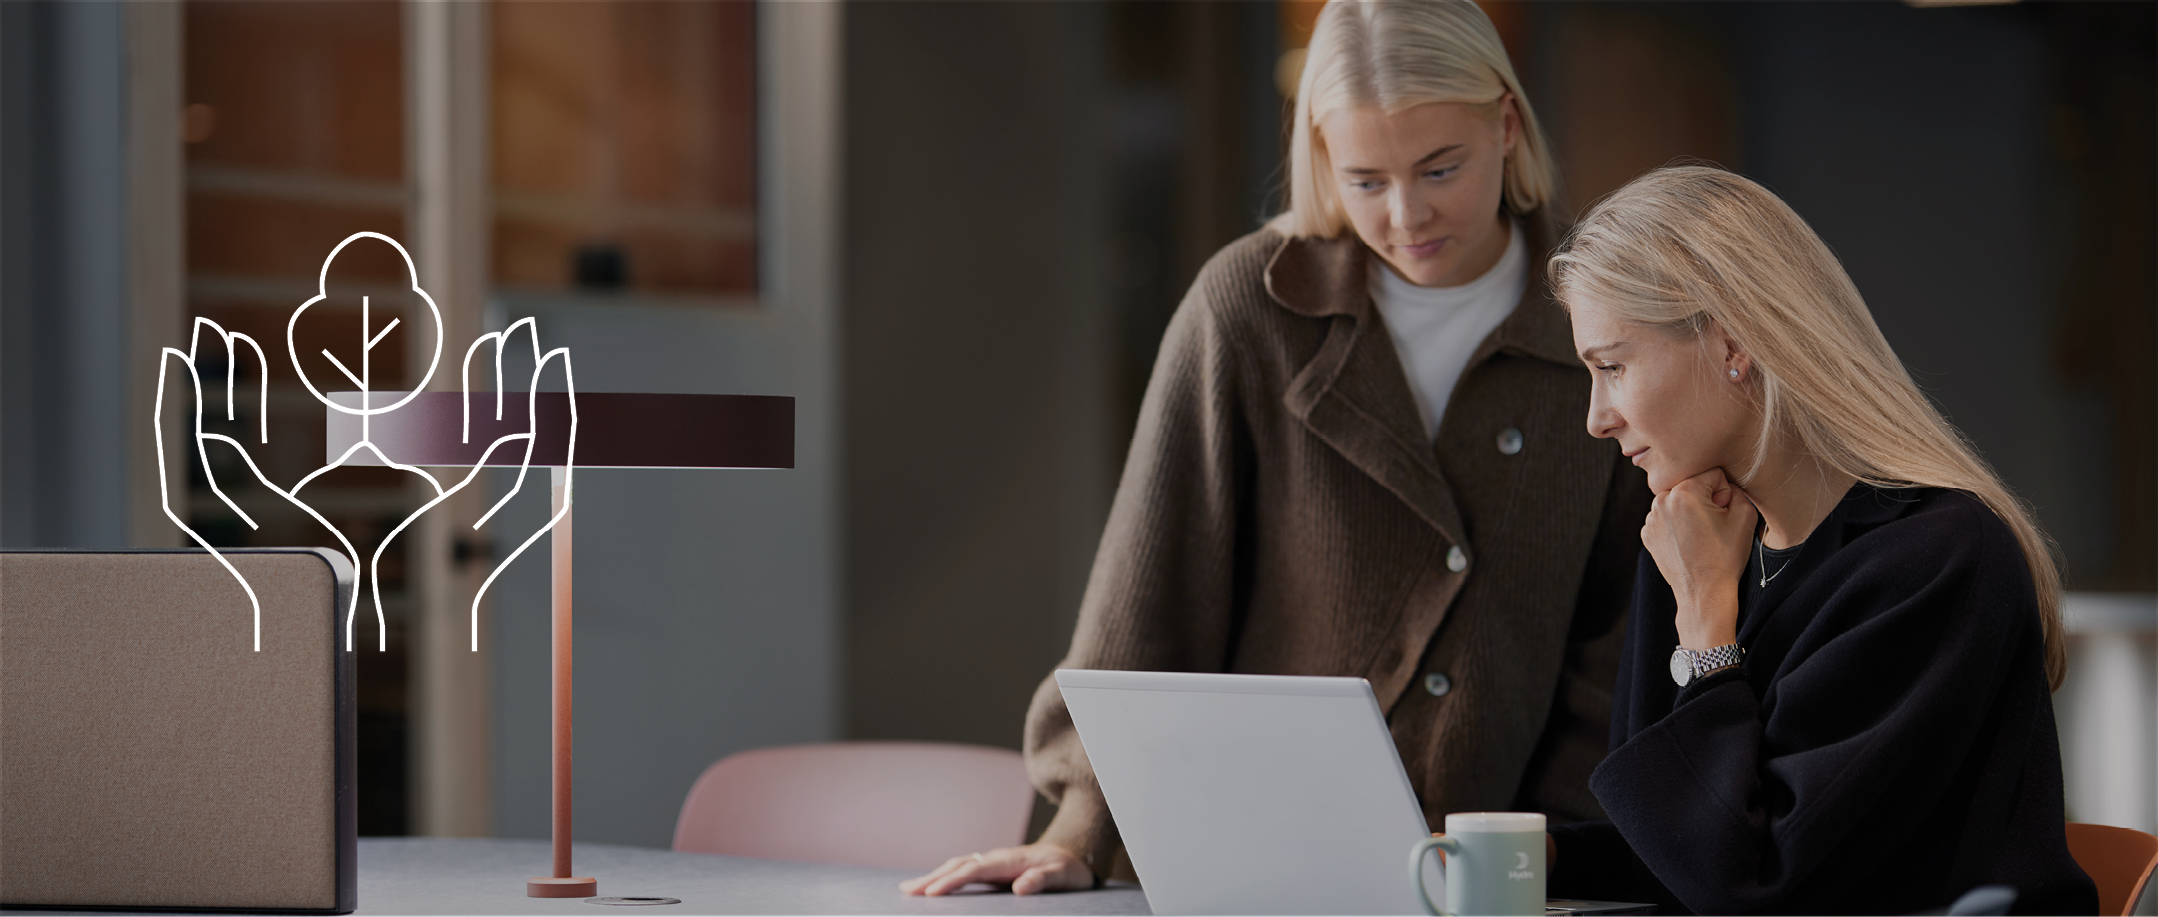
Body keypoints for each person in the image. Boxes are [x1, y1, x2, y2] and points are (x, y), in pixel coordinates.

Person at [904, 0, 1651, 897]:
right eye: (1366, 178)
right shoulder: (1247, 310)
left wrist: (1544, 853)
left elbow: (1618, 640)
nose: (1407, 214)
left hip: (1506, 877)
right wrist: (1080, 825)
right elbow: (1153, 588)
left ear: (1506, 122)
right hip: (1252, 867)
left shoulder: (1597, 331)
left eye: (1439, 167)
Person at [1544, 165, 2099, 915]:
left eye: (1611, 366)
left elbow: (1756, 882)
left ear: (1731, 344)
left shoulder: (1939, 559)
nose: (1596, 417)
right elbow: (1679, 846)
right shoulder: (1691, 542)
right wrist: (1534, 854)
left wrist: (1707, 620)